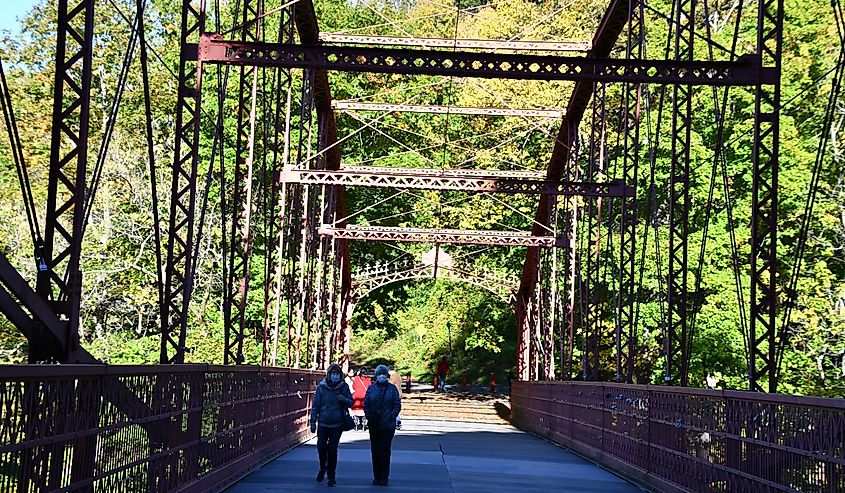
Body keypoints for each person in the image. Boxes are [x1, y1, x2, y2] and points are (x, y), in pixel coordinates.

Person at [309, 363, 353, 487]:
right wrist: (313, 421)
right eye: (333, 373)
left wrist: (343, 399)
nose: (335, 376)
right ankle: (323, 467)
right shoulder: (322, 387)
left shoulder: (343, 387)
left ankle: (331, 476)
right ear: (329, 374)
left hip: (337, 423)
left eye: (337, 374)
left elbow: (351, 402)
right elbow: (316, 405)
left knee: (332, 450)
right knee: (321, 447)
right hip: (323, 422)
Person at [363, 365, 402, 486]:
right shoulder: (371, 389)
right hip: (374, 423)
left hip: (388, 425)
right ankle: (377, 476)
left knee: (384, 450)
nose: (382, 376)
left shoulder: (392, 389)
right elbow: (366, 403)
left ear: (387, 376)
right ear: (376, 375)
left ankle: (384, 476)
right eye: (380, 374)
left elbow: (397, 404)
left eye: (384, 374)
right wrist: (369, 415)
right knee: (375, 451)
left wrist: (391, 415)